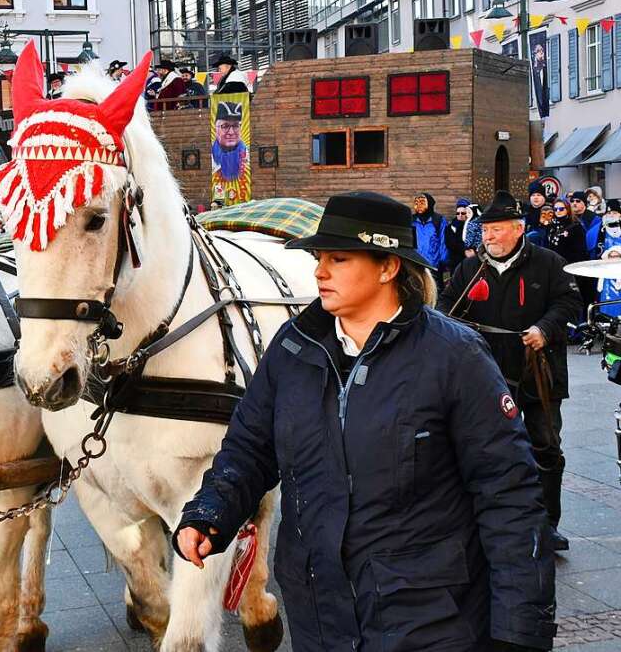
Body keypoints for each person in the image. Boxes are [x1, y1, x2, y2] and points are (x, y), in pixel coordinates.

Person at [175, 191, 557, 652]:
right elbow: (250, 447)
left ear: (387, 266)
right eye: (319, 257)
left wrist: (520, 630)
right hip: (319, 612)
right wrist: (211, 513)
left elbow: (509, 495)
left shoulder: (454, 356)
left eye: (338, 258)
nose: (319, 271)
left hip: (429, 616)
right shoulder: (293, 347)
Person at [438, 190, 582, 553]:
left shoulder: (548, 262)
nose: (489, 237)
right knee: (481, 448)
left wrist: (544, 329)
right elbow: (445, 307)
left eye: (497, 229)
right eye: (486, 230)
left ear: (518, 229)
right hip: (484, 376)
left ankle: (547, 524)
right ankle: (484, 520)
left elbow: (569, 301)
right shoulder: (471, 267)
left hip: (537, 372)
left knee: (545, 446)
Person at [210, 101, 250, 205]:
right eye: (225, 126)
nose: (231, 132)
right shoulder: (213, 159)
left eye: (236, 125)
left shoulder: (246, 155)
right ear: (216, 128)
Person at [411, 192, 449, 289]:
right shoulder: (412, 220)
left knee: (435, 289)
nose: (419, 205)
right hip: (416, 262)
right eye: (416, 202)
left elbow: (443, 241)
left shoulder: (439, 220)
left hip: (433, 263)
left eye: (422, 202)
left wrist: (443, 261)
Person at [548, 198, 590, 267]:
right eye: (555, 209)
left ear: (567, 209)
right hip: (554, 265)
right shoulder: (551, 226)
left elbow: (581, 251)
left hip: (570, 265)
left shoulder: (575, 226)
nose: (558, 211)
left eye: (561, 209)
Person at [568, 191, 601, 258]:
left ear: (584, 203)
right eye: (572, 201)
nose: (574, 203)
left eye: (578, 201)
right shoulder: (568, 217)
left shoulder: (594, 218)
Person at [445, 198, 471, 275]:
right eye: (458, 213)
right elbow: (450, 243)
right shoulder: (451, 227)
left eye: (463, 213)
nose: (460, 215)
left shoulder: (472, 226)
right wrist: (464, 249)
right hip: (455, 261)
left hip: (469, 260)